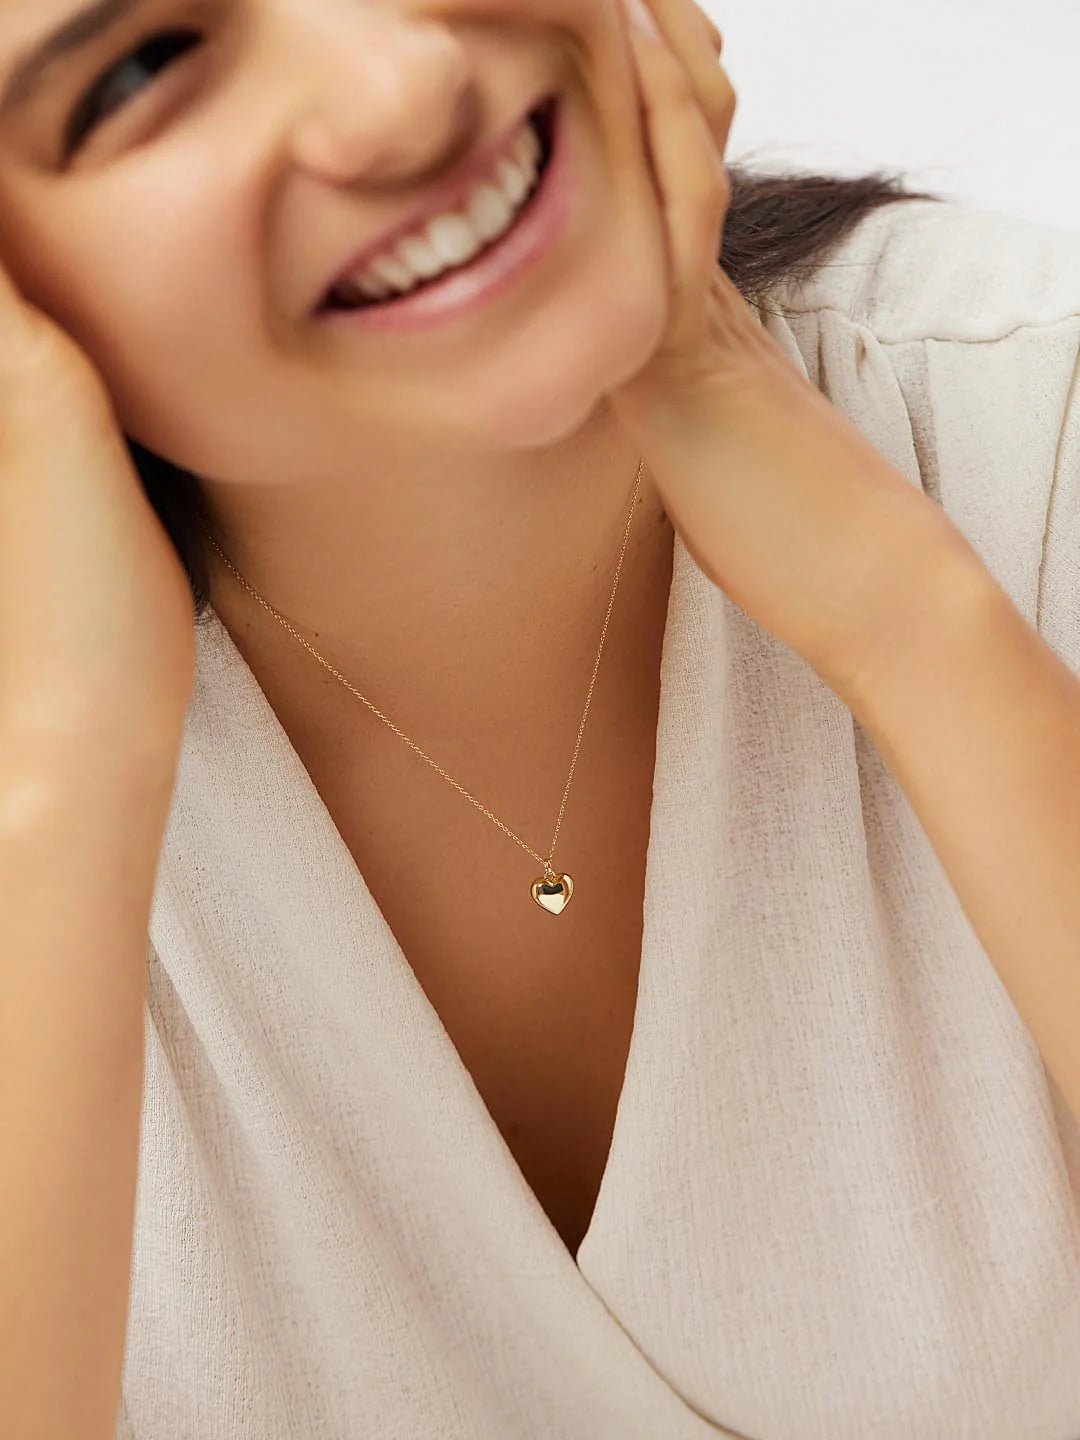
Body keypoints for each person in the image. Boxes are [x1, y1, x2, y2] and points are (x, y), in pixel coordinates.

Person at [1, 0, 1078, 1436]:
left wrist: (921, 626)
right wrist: (68, 777)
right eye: (144, 69)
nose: (404, 84)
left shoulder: (1025, 410)